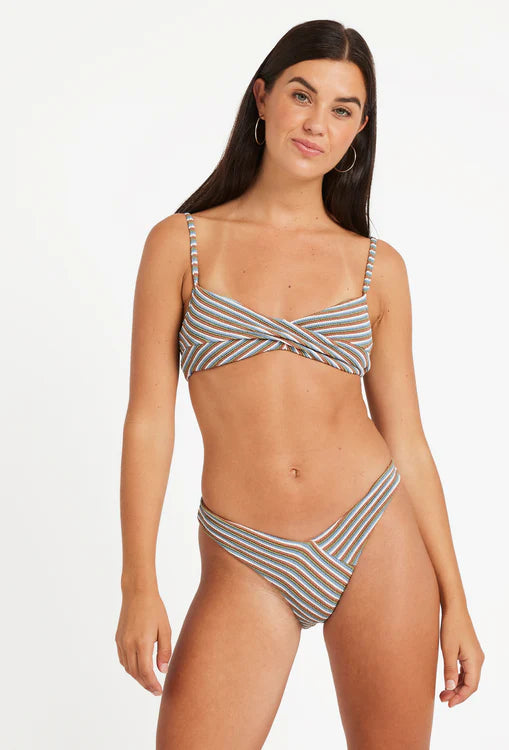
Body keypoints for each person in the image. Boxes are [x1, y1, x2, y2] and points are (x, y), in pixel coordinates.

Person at [116, 19, 485, 749]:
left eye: (343, 109)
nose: (318, 123)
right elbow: (148, 421)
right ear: (262, 98)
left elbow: (408, 440)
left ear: (359, 130)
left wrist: (458, 601)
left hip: (374, 531)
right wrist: (138, 582)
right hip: (244, 551)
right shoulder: (181, 244)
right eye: (302, 95)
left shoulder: (377, 267)